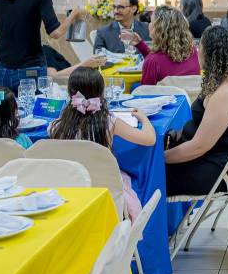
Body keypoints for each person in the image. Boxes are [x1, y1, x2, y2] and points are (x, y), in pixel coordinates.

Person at [48, 66, 156, 219]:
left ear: (70, 92)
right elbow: (150, 139)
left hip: (72, 186)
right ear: (101, 92)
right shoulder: (109, 122)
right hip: (105, 187)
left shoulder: (55, 126)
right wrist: (144, 118)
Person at [164, 27, 228, 196]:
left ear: (211, 53)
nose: (198, 51)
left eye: (200, 47)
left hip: (212, 169)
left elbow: (198, 147)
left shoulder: (227, 92)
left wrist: (159, 159)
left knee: (143, 175)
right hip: (208, 158)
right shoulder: (225, 81)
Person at [121, 5, 200, 87]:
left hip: (163, 95)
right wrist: (140, 45)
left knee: (131, 86)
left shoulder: (153, 61)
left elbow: (146, 92)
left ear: (159, 29)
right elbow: (164, 62)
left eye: (151, 22)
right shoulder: (193, 52)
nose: (149, 25)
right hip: (189, 95)